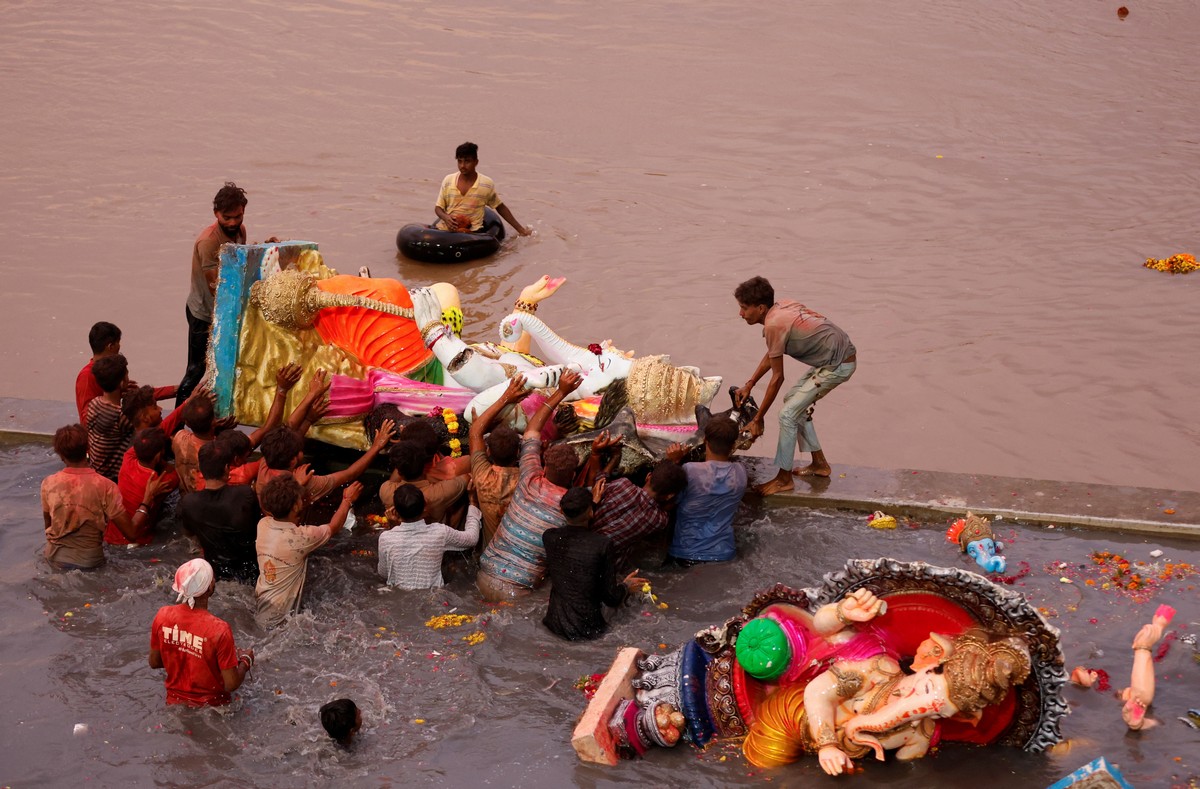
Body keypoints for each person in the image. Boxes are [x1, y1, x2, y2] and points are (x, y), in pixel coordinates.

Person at [733, 276, 857, 495]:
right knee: (793, 402)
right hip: (832, 359)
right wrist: (750, 384)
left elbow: (778, 377)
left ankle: (783, 479)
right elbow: (773, 352)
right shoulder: (779, 309)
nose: (741, 314)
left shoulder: (773, 323)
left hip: (838, 365)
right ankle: (819, 464)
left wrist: (758, 419)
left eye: (744, 308)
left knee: (787, 414)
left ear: (761, 308)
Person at [477, 370, 582, 601]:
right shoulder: (570, 509)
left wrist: (561, 392)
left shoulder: (529, 479)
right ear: (573, 476)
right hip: (519, 591)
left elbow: (532, 430)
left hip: (484, 577)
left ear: (543, 468)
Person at [179, 182, 278, 407]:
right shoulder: (208, 242)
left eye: (238, 216)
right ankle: (176, 425)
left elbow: (239, 261)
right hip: (204, 312)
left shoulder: (240, 231)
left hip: (225, 309)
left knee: (227, 364)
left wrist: (265, 250)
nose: (233, 223)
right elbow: (218, 286)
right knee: (196, 370)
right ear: (216, 214)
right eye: (227, 218)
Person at [41, 424, 157, 570]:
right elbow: (131, 533)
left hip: (53, 557)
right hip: (89, 562)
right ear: (88, 449)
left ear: (61, 455)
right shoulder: (105, 486)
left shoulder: (48, 483)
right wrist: (146, 501)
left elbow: (48, 525)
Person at [255, 476, 362, 627]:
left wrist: (293, 488)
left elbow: (278, 507)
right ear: (294, 507)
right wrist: (347, 500)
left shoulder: (263, 525)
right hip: (279, 622)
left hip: (262, 611)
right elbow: (334, 526)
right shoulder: (302, 537)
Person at [542, 487, 646, 641]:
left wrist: (591, 505)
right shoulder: (602, 545)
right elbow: (611, 598)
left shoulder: (549, 537)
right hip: (588, 631)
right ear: (590, 512)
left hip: (553, 625)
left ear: (561, 511)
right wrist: (626, 586)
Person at [148, 558, 254, 707]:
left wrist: (183, 655)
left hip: (174, 704)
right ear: (210, 586)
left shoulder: (163, 615)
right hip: (214, 709)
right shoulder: (219, 629)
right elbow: (231, 684)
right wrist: (245, 662)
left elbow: (154, 662)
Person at [255, 418, 394, 519]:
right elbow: (350, 474)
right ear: (293, 460)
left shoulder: (265, 462)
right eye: (299, 450)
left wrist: (309, 419)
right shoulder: (308, 483)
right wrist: (377, 446)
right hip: (296, 529)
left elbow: (286, 438)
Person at [589, 444, 688, 571]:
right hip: (607, 566)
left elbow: (599, 483)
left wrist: (615, 458)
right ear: (669, 496)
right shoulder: (658, 520)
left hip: (584, 542)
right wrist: (676, 462)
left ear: (648, 476)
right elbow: (667, 507)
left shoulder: (622, 485)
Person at [665, 417, 748, 564]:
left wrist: (674, 462)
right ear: (734, 444)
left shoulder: (689, 470)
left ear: (705, 441)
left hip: (685, 554)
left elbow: (667, 500)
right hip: (725, 554)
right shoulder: (740, 472)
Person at [179, 441, 262, 583]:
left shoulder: (189, 503)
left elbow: (189, 534)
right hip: (250, 572)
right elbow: (259, 525)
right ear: (226, 468)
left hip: (214, 575)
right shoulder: (244, 495)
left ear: (200, 468)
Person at [376, 484, 482, 589]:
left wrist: (392, 526)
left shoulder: (386, 538)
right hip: (432, 599)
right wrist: (473, 502)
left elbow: (384, 573)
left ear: (396, 511)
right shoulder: (440, 532)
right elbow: (472, 538)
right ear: (425, 506)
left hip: (398, 599)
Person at [75, 322, 176, 426]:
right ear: (111, 346)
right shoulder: (86, 377)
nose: (119, 347)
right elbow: (86, 421)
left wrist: (174, 390)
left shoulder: (110, 372)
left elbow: (139, 396)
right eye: (118, 343)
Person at [467, 375, 526, 546]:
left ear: (488, 451)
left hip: (490, 553)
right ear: (517, 453)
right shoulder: (527, 480)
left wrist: (506, 397)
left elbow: (475, 432)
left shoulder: (482, 476)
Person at [433, 141, 532, 237]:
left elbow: (500, 207)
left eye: (467, 161)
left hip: (473, 234)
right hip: (447, 231)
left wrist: (521, 230)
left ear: (476, 162)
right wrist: (446, 218)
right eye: (460, 161)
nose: (462, 166)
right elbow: (438, 208)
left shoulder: (486, 184)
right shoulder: (448, 180)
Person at [107, 427, 180, 545]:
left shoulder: (127, 459)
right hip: (139, 541)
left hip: (112, 535)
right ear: (158, 456)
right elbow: (177, 473)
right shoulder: (160, 482)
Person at [379, 440, 468, 526]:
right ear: (425, 466)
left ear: (399, 471)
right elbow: (467, 478)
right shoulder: (440, 492)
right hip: (436, 534)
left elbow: (392, 480)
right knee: (462, 500)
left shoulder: (385, 490)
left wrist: (403, 454)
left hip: (402, 532)